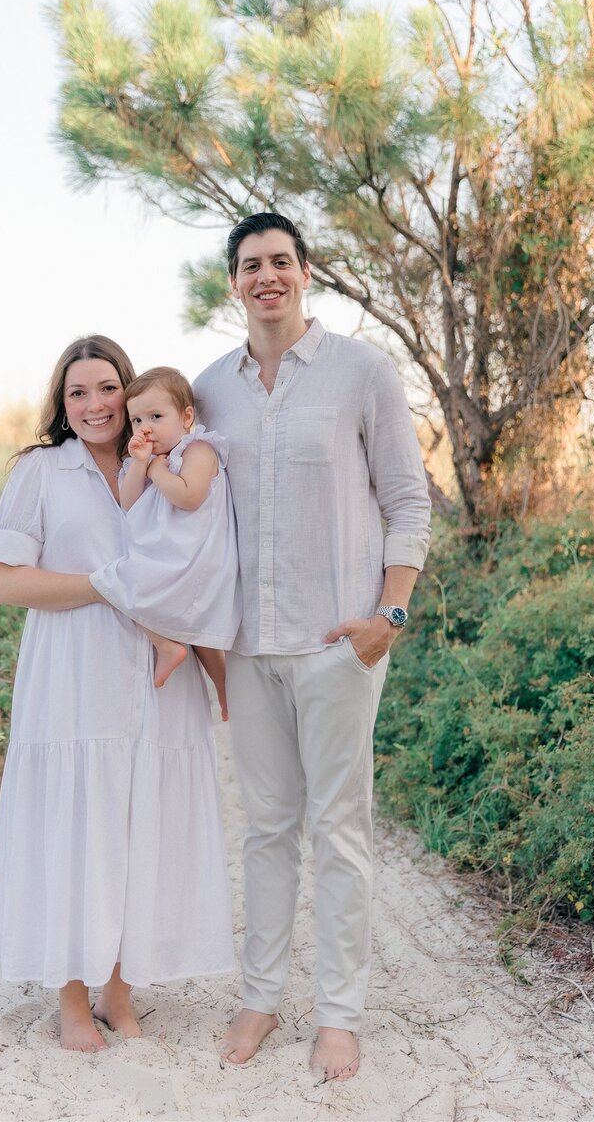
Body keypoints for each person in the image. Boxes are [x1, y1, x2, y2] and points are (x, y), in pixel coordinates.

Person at [192, 213, 432, 1082]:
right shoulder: (208, 388)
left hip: (342, 645)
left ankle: (338, 1013)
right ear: (233, 282)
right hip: (250, 649)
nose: (267, 276)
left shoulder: (362, 371)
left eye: (281, 262)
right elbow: (191, 518)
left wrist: (387, 619)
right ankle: (259, 996)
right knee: (265, 830)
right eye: (251, 264)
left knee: (340, 830)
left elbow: (408, 500)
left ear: (305, 274)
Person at [0, 335, 235, 1053]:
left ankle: (119, 990)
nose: (94, 405)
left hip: (162, 680)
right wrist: (110, 590)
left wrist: (218, 671)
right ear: (61, 405)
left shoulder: (170, 462)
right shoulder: (41, 471)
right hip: (72, 675)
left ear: (130, 393)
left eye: (106, 389)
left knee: (139, 829)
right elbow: (7, 581)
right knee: (74, 828)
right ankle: (70, 998)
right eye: (76, 393)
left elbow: (200, 571)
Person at [90, 366, 241, 721]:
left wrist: (158, 470)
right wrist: (141, 466)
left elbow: (188, 496)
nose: (146, 428)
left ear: (186, 416)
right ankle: (171, 648)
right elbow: (129, 502)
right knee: (124, 584)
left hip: (196, 554)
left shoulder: (198, 450)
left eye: (156, 416)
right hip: (170, 552)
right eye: (137, 419)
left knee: (120, 582)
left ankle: (221, 686)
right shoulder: (145, 459)